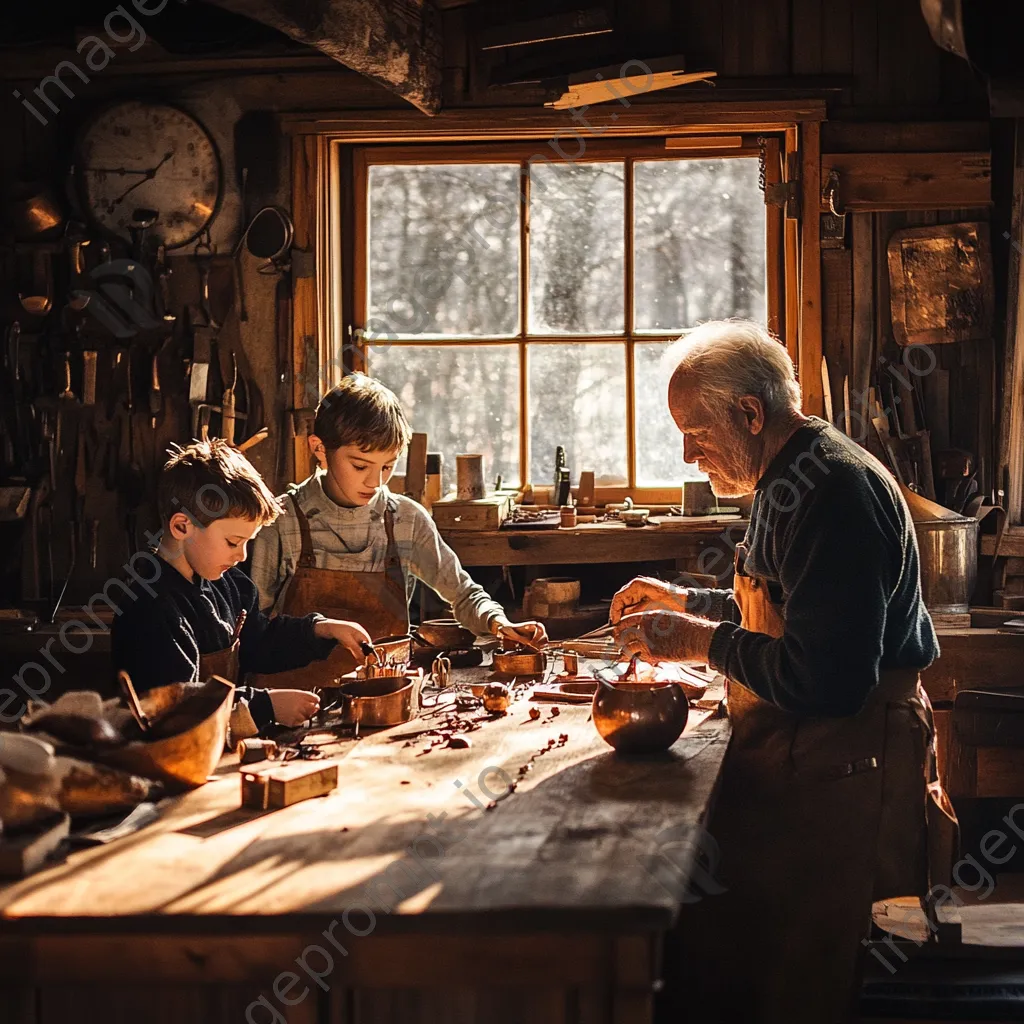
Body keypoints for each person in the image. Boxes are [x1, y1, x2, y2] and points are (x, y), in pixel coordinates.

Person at [609, 320, 957, 1024]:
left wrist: (701, 642)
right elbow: (787, 608)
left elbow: (827, 678)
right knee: (740, 950)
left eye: (695, 431)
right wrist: (690, 603)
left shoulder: (833, 489)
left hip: (849, 767)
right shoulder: (785, 475)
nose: (686, 453)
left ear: (748, 413)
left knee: (820, 977)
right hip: (805, 761)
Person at [250, 373, 546, 687]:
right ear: (320, 449)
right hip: (291, 703)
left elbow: (463, 595)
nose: (375, 482)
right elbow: (256, 631)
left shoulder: (405, 520)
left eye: (388, 466)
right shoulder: (280, 521)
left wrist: (500, 623)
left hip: (383, 700)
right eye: (361, 466)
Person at [111, 439, 372, 732]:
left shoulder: (229, 584)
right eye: (233, 542)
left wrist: (320, 629)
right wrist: (265, 705)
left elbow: (258, 643)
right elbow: (177, 707)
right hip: (167, 756)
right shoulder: (151, 609)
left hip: (215, 743)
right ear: (182, 526)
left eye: (248, 542)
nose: (242, 555)